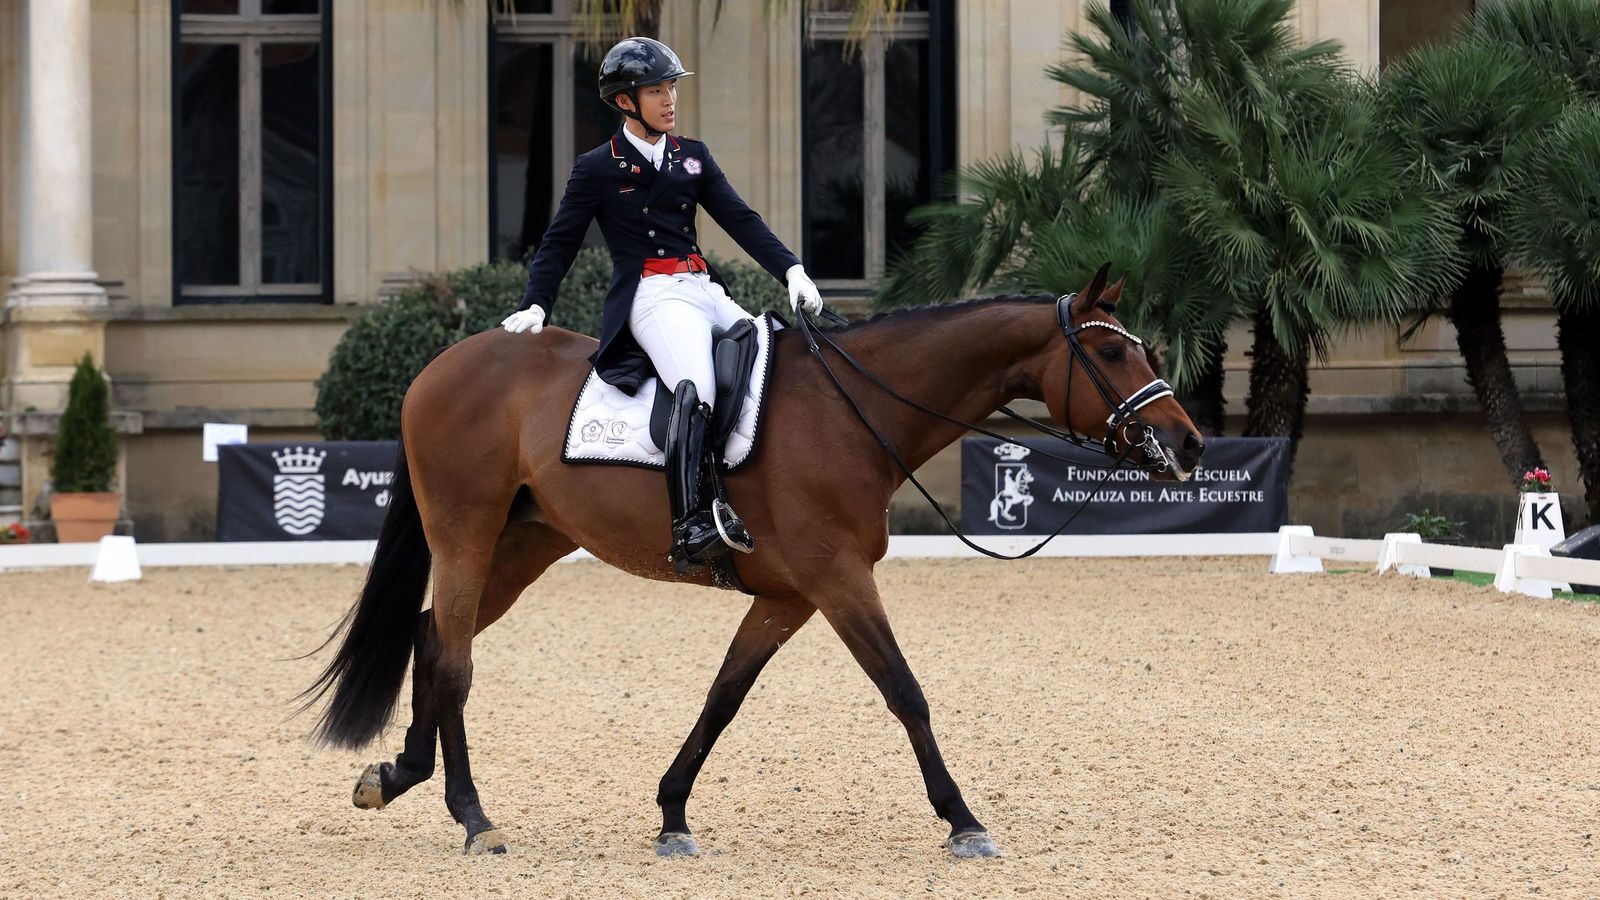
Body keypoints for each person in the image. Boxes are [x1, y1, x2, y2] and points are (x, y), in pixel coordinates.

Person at [501, 36, 824, 573]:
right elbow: (561, 242)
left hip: (703, 289)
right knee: (694, 388)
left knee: (772, 366)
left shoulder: (692, 157)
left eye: (672, 87)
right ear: (627, 101)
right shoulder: (596, 168)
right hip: (652, 295)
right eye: (657, 90)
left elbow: (740, 218)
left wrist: (792, 269)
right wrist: (538, 304)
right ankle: (692, 521)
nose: (670, 99)